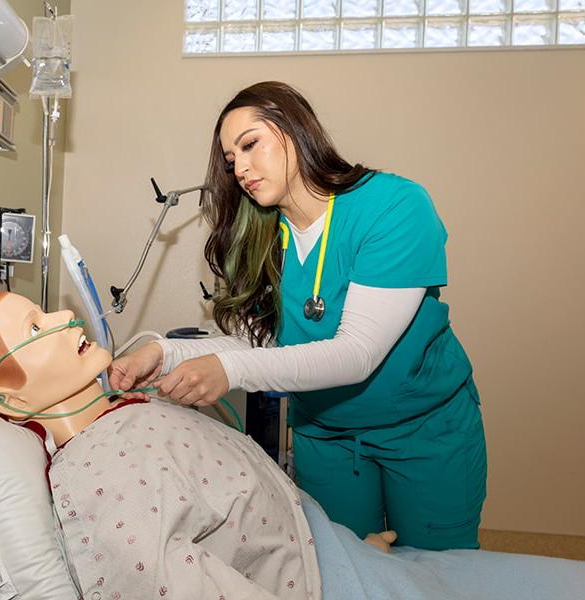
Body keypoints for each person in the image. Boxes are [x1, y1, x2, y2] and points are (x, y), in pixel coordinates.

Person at [0, 292, 585, 600]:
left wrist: (333, 542)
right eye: (37, 325)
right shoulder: (97, 479)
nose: (65, 317)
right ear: (13, 398)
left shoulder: (126, 415)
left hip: (335, 554)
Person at [110, 81, 486, 551]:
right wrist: (163, 353)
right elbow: (262, 343)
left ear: (296, 129)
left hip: (423, 431)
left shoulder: (393, 206)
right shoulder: (262, 232)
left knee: (440, 573)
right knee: (337, 563)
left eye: (250, 144)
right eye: (230, 161)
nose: (241, 168)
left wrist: (228, 371)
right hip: (325, 434)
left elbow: (357, 353)